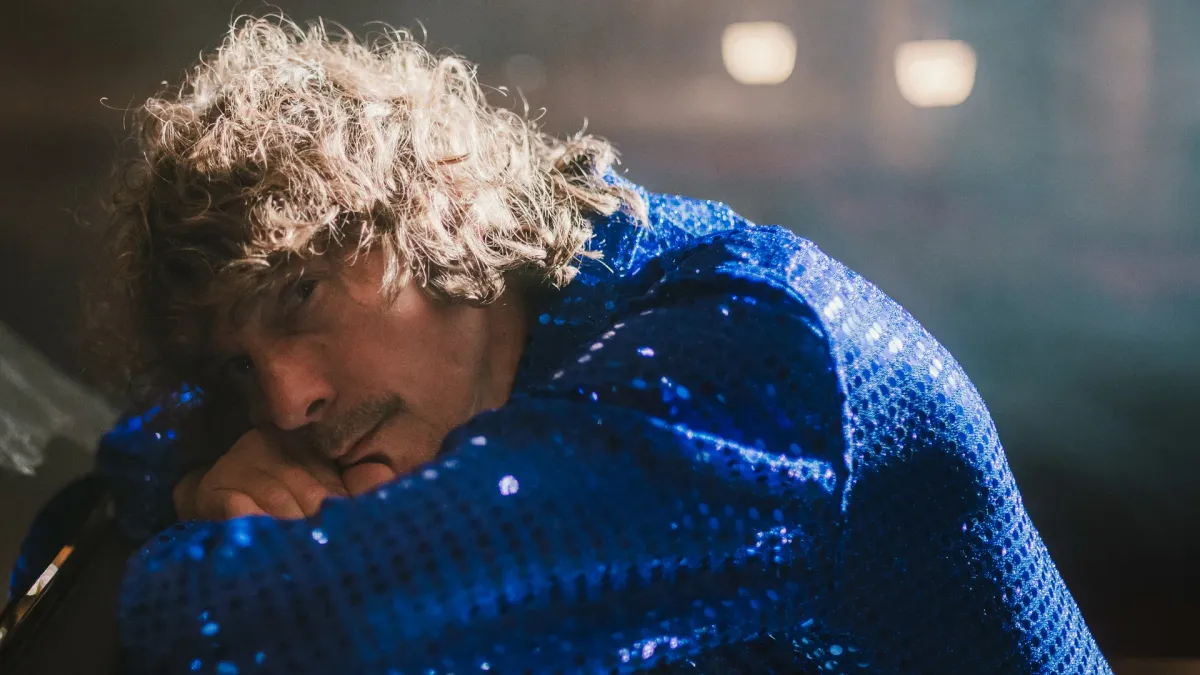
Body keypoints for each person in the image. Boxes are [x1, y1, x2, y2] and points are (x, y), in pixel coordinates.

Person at [12, 15, 1113, 675]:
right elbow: (126, 454)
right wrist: (196, 476)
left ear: (435, 208)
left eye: (299, 294)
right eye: (238, 365)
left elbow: (310, 629)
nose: (288, 398)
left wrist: (200, 528)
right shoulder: (537, 340)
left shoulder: (741, 354)